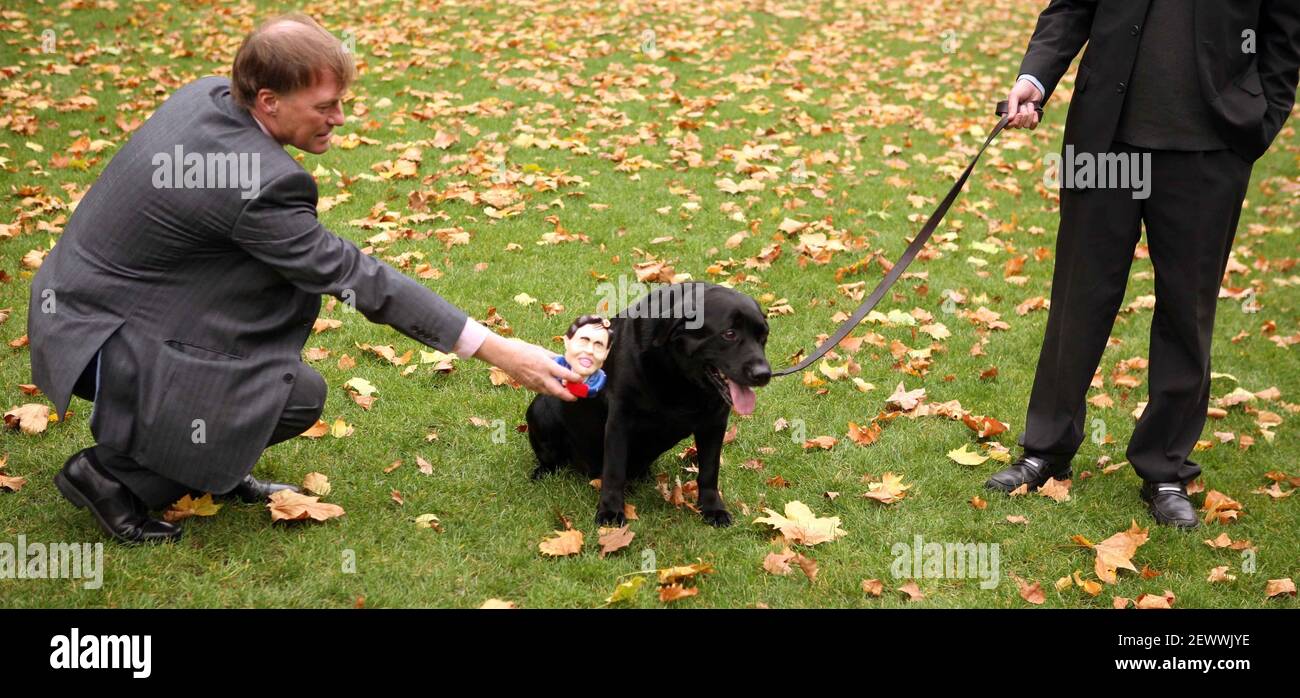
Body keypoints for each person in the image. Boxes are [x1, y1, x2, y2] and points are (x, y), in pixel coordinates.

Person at [28, 13, 582, 544]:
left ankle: (207, 462)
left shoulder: (208, 94)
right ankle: (112, 475)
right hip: (102, 339)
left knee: (263, 359)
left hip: (89, 304)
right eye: (325, 105)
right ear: (267, 99)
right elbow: (356, 277)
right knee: (293, 394)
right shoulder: (258, 184)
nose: (339, 117)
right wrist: (501, 351)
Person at [987, 0, 1299, 527]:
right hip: (1104, 143)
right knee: (1078, 300)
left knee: (1187, 308)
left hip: (1208, 149)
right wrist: (1035, 79)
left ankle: (1165, 468)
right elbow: (1070, 8)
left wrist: (1257, 122)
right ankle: (1046, 450)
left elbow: (1283, 35)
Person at [554, 315, 612, 398]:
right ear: (567, 341)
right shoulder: (558, 364)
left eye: (598, 346)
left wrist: (570, 385)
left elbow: (591, 391)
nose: (590, 351)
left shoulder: (599, 379)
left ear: (607, 352)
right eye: (583, 342)